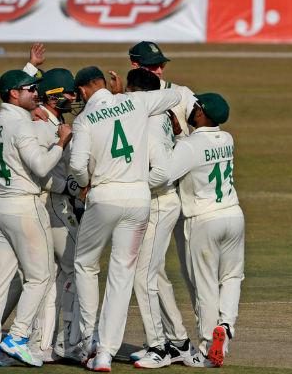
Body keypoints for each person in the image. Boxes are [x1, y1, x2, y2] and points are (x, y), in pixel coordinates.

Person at [67, 67, 181, 371]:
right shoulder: (136, 102)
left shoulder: (83, 119)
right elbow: (174, 94)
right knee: (122, 274)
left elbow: (78, 166)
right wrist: (126, 95)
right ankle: (105, 352)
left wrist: (86, 182)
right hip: (139, 200)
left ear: (85, 90)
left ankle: (88, 340)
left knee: (86, 264)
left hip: (104, 197)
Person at [0, 70, 72, 367]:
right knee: (41, 275)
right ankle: (17, 338)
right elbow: (41, 166)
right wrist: (61, 141)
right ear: (13, 94)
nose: (36, 93)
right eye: (30, 89)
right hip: (23, 206)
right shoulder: (22, 125)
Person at [122, 69, 195, 368]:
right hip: (158, 203)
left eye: (128, 90)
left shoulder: (151, 123)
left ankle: (159, 347)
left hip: (159, 203)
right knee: (156, 275)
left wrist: (133, 184)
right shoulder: (160, 114)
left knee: (143, 276)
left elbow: (162, 174)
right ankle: (179, 341)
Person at [167, 93, 243, 368]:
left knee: (206, 285)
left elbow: (167, 174)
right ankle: (226, 325)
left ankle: (208, 349)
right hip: (233, 214)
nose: (191, 109)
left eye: (195, 106)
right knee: (232, 276)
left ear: (200, 114)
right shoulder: (228, 139)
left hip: (203, 218)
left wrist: (177, 140)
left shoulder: (190, 145)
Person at [27, 67, 84, 363]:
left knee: (51, 277)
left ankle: (41, 343)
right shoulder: (40, 126)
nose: (73, 97)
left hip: (55, 204)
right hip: (52, 205)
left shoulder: (52, 119)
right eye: (68, 93)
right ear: (50, 96)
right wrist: (72, 189)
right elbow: (41, 175)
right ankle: (68, 341)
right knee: (76, 268)